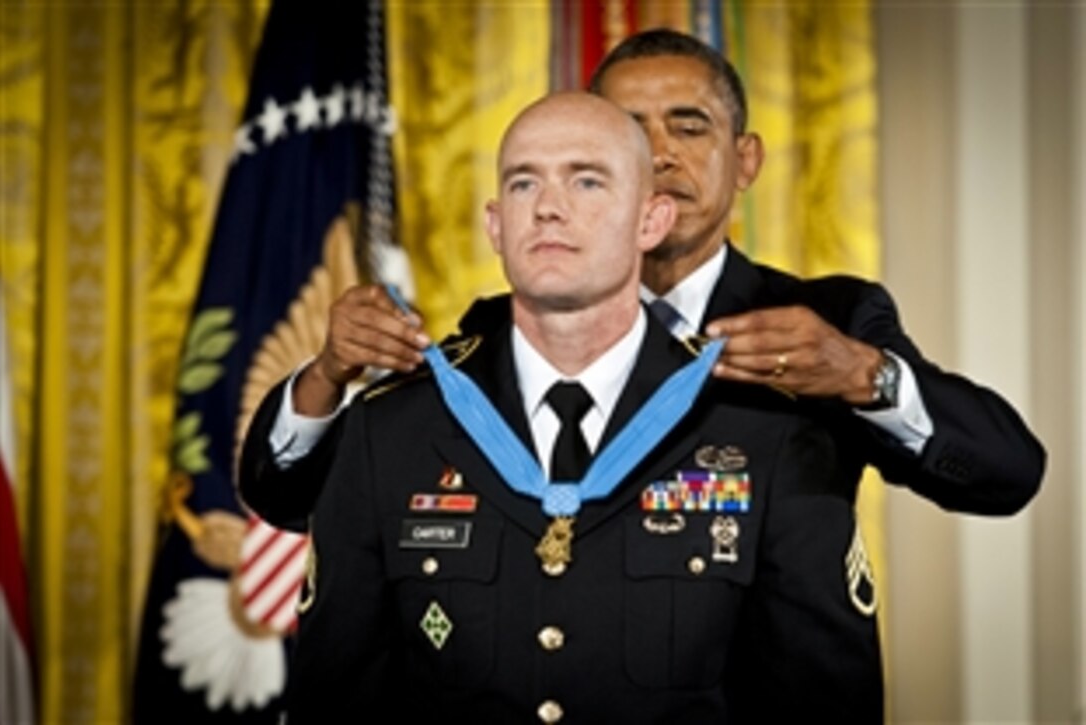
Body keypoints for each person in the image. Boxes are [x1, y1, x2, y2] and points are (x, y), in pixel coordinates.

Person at [239, 28, 1043, 531]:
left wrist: (868, 377)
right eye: (629, 133)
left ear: (746, 159)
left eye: (689, 127)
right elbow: (293, 501)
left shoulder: (824, 318)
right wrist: (326, 375)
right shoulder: (498, 329)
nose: (659, 155)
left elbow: (1009, 474)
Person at [285, 91, 881, 722]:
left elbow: (825, 705)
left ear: (650, 222)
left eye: (587, 181)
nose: (547, 208)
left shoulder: (767, 429)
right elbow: (333, 699)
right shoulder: (390, 430)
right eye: (523, 184)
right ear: (495, 226)